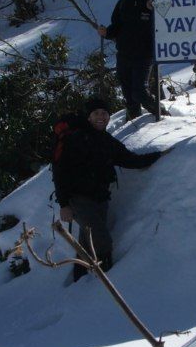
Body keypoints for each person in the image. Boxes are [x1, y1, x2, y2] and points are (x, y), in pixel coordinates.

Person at [53, 96, 170, 282]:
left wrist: (159, 155)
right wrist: (64, 204)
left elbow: (130, 160)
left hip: (100, 199)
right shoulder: (75, 139)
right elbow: (60, 172)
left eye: (105, 113)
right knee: (101, 240)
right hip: (79, 200)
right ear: (89, 117)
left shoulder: (107, 141)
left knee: (86, 240)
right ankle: (105, 281)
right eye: (96, 113)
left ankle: (78, 282)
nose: (101, 117)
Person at [98, 0, 162, 120]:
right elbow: (116, 27)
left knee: (139, 92)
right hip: (124, 56)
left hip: (144, 55)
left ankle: (161, 113)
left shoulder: (151, 0)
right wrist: (106, 32)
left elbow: (166, 17)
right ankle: (134, 127)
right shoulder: (122, 4)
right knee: (129, 97)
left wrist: (153, 7)